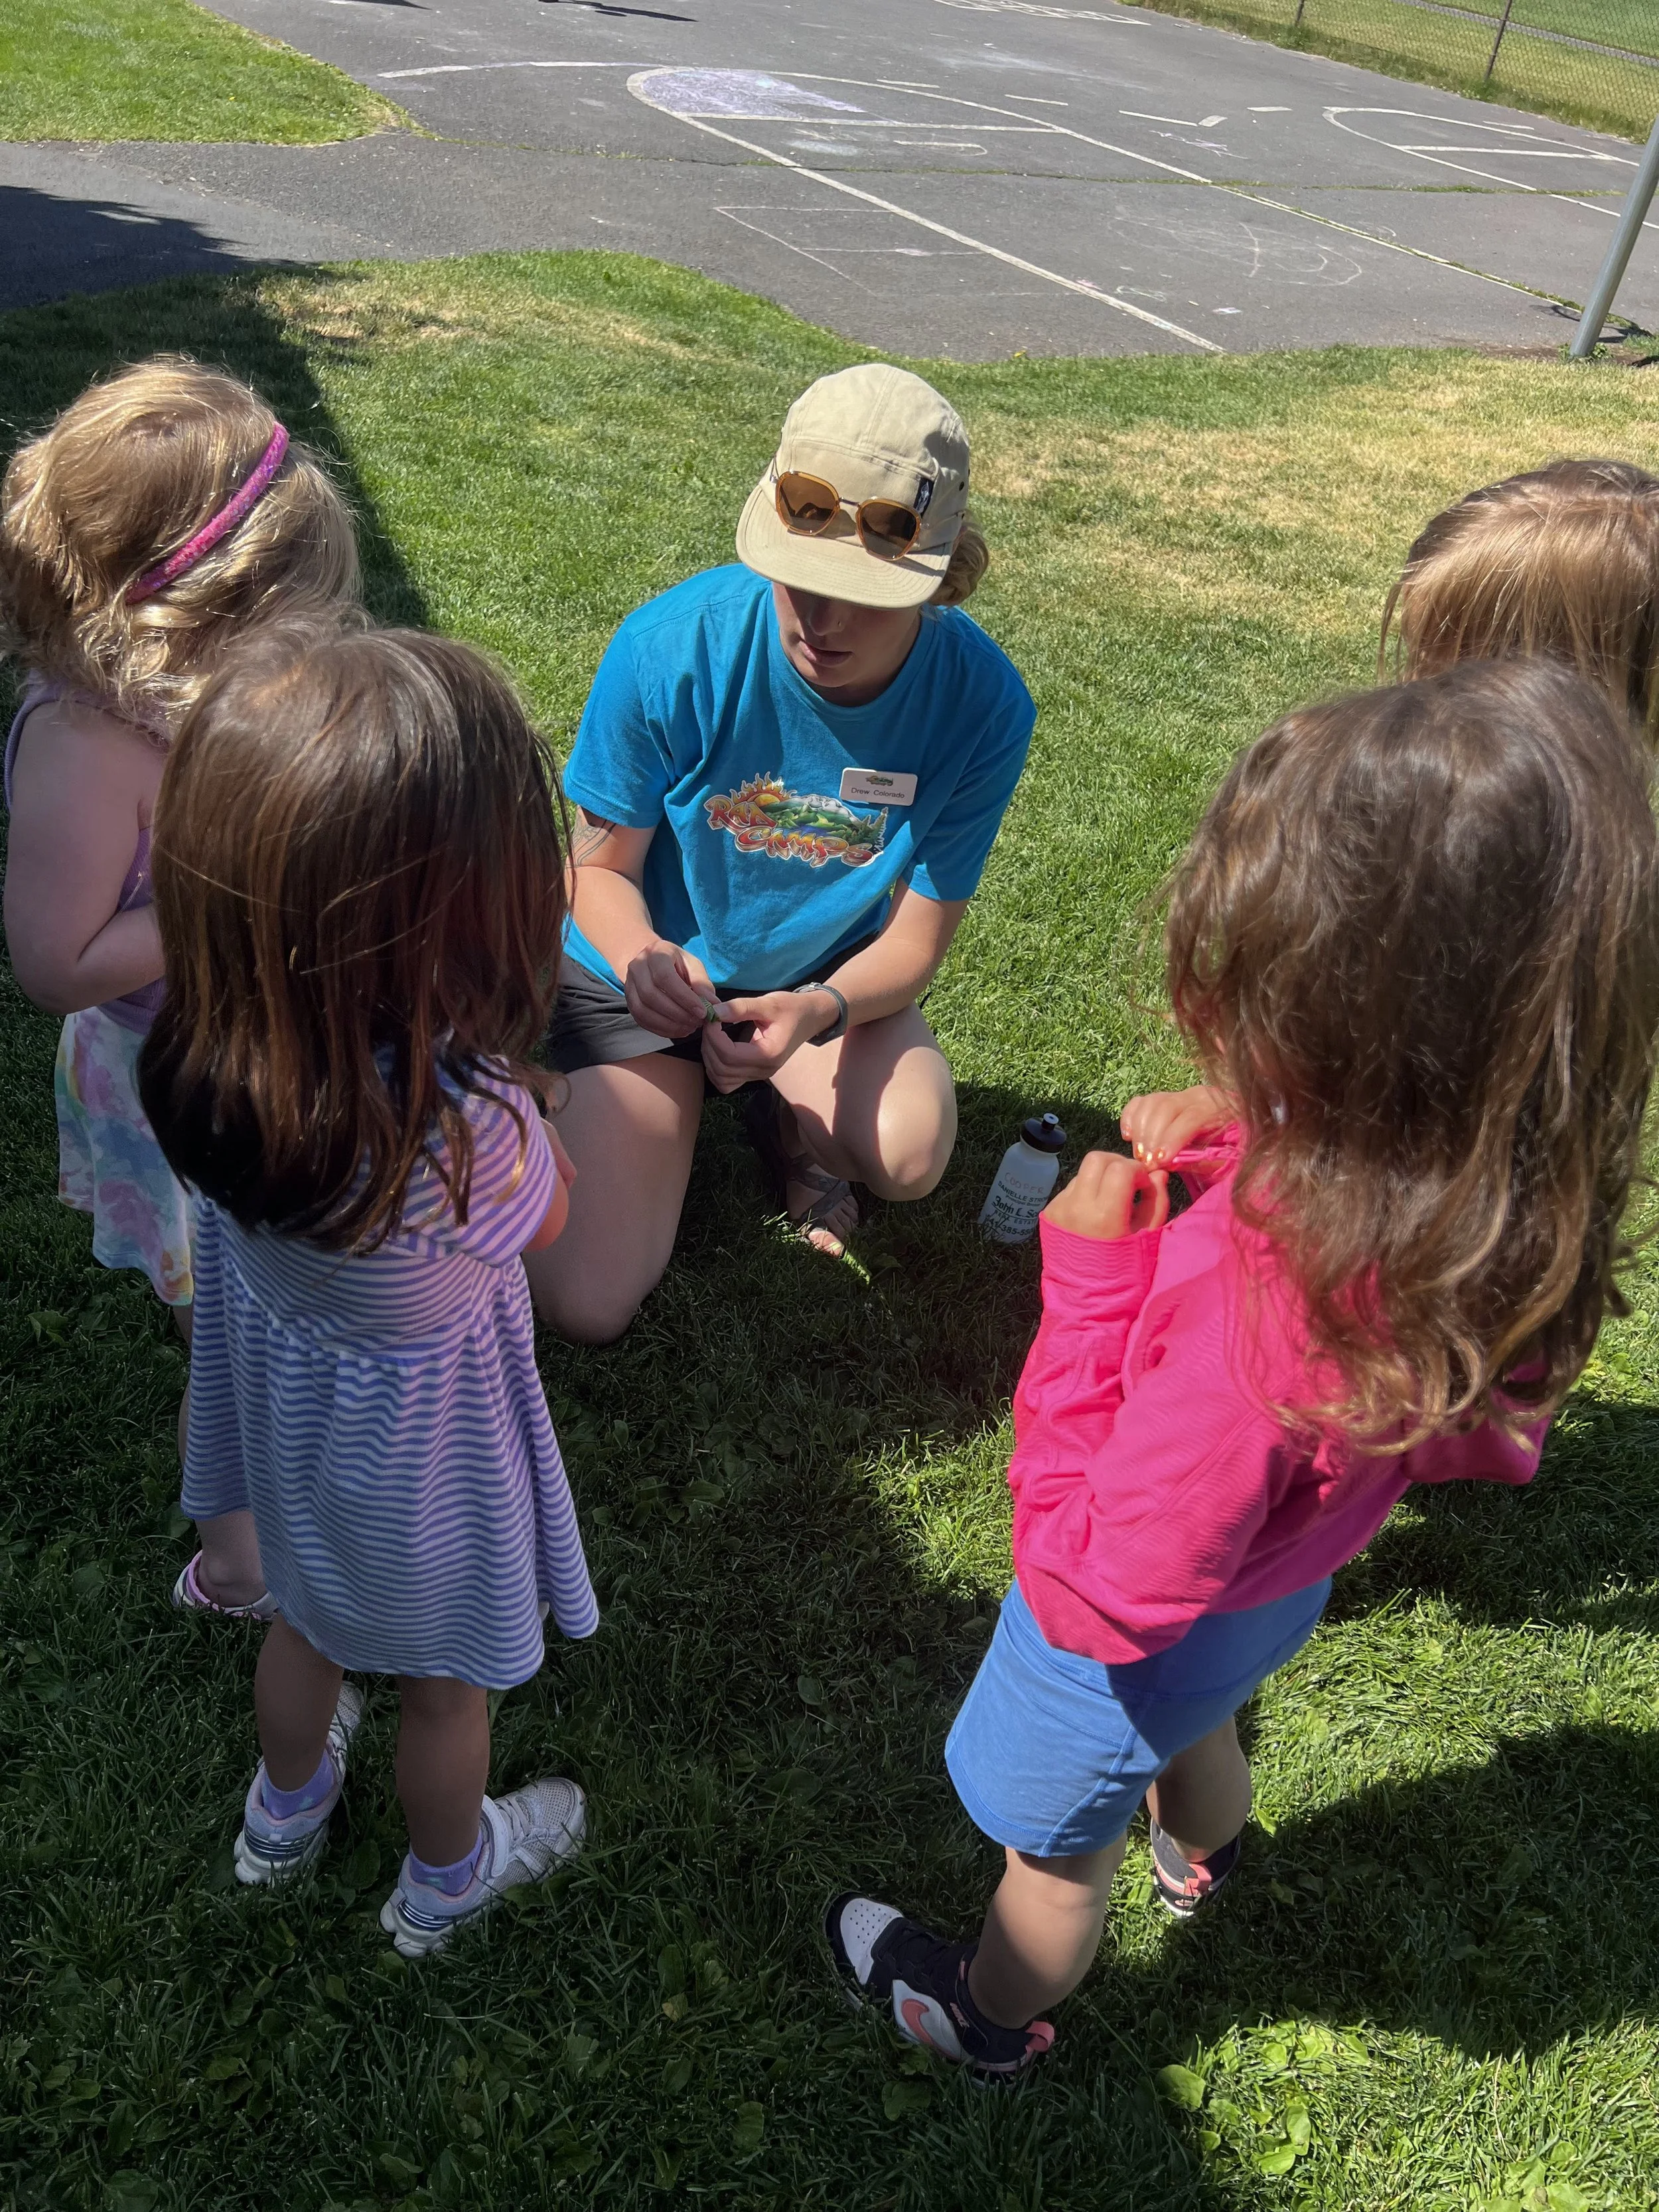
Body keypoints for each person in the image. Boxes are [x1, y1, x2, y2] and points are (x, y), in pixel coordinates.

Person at [826, 660, 1659, 2078]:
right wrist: (1238, 1131)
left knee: (1052, 1854)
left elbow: (1092, 1583)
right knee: (1194, 1710)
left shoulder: (1253, 1328)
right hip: (1270, 1594)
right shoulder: (1481, 1206)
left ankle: (982, 2010)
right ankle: (1201, 1847)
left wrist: (1088, 1283)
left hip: (1127, 1638)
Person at [136, 625, 598, 1958]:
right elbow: (551, 1217)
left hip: (291, 1440)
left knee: (306, 1626)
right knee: (447, 1696)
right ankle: (445, 1873)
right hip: (431, 1484)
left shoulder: (207, 1069)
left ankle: (281, 1814)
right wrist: (528, 1099)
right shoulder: (470, 1135)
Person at [528, 362, 1035, 1342]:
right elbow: (594, 872)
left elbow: (919, 942)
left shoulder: (983, 704)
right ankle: (584, 1080)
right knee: (589, 1301)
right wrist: (646, 963)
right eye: (798, 580)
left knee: (908, 1148)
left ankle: (777, 1113)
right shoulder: (670, 646)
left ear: (942, 577)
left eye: (865, 593)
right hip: (636, 972)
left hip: (817, 985)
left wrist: (819, 1008)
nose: (821, 619)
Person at [0, 356, 363, 1617]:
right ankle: (240, 1566)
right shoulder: (87, 747)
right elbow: (55, 961)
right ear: (183, 614)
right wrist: (228, 896)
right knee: (224, 1338)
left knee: (250, 1297)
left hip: (238, 1052)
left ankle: (272, 1453)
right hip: (163, 1083)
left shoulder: (175, 699)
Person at [1127, 455, 1659, 1176]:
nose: (1408, 685)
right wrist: (1245, 1102)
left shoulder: (1539, 891)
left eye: (1438, 661)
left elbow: (1420, 1122)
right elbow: (1349, 1039)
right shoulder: (1560, 842)